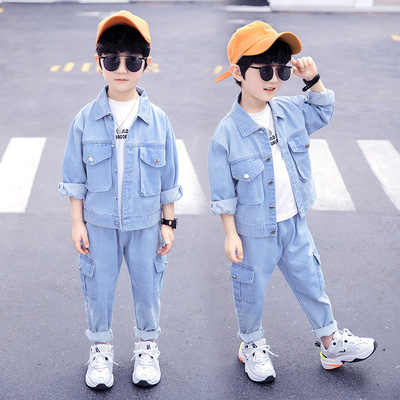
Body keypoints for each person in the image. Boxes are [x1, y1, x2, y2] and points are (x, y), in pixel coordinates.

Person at [208, 21, 377, 383]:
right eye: (265, 71)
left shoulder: (289, 111)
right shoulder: (227, 133)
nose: (274, 79)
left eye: (282, 70)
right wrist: (230, 233)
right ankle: (251, 344)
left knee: (312, 283)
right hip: (254, 231)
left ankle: (330, 343)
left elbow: (322, 111)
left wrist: (312, 79)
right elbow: (223, 193)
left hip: (295, 224)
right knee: (250, 291)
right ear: (238, 73)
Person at [58, 10, 182, 389]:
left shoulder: (159, 120)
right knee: (98, 289)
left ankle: (147, 348)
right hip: (98, 224)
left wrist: (168, 222)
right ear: (98, 64)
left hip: (146, 224)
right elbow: (74, 179)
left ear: (146, 64)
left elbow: (169, 178)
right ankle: (101, 350)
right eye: (112, 61)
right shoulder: (84, 120)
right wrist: (77, 224)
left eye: (132, 61)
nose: (122, 70)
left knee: (148, 288)